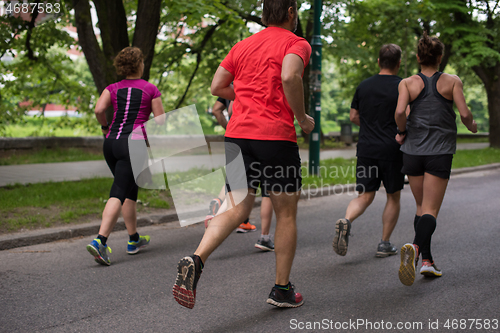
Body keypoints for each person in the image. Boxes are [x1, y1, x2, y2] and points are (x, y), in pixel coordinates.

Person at [172, 0, 314, 309]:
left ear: (264, 14)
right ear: (291, 12)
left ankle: (196, 259)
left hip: (237, 137)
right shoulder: (296, 42)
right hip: (275, 137)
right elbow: (290, 77)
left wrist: (249, 91)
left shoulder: (243, 45)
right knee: (285, 213)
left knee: (235, 206)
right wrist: (302, 118)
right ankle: (281, 289)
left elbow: (216, 86)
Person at [395, 32, 477, 286]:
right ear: (440, 57)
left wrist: (401, 132)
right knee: (431, 211)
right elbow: (464, 113)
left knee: (421, 208)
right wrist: (472, 125)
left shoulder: (407, 83)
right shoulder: (452, 82)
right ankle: (417, 249)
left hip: (412, 152)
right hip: (439, 152)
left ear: (418, 57)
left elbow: (399, 112)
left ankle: (427, 262)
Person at [87, 47, 165, 265]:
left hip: (111, 143)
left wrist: (105, 128)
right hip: (133, 144)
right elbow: (160, 121)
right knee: (119, 191)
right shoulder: (150, 89)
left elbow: (98, 110)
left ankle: (133, 239)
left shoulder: (112, 88)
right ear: (140, 64)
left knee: (129, 189)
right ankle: (100, 241)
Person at [333, 44, 405, 258]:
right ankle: (384, 244)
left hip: (367, 149)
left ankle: (346, 220)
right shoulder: (403, 86)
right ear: (399, 63)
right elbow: (405, 114)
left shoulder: (364, 86)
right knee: (393, 197)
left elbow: (353, 116)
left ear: (378, 61)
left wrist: (369, 127)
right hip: (393, 150)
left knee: (364, 195)